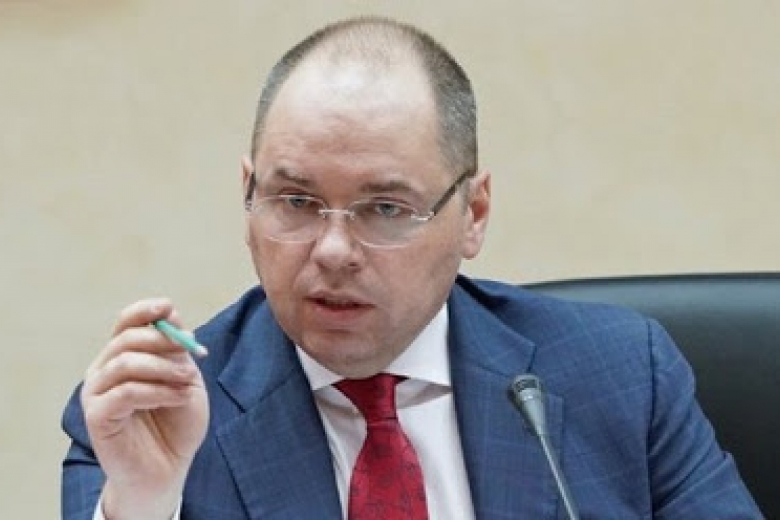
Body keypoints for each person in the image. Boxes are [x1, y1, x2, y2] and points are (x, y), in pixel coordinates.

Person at [61, 15, 761, 520]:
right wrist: (146, 503)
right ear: (249, 194)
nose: (332, 250)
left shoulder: (623, 376)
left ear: (474, 213)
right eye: (296, 201)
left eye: (385, 209)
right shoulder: (151, 420)